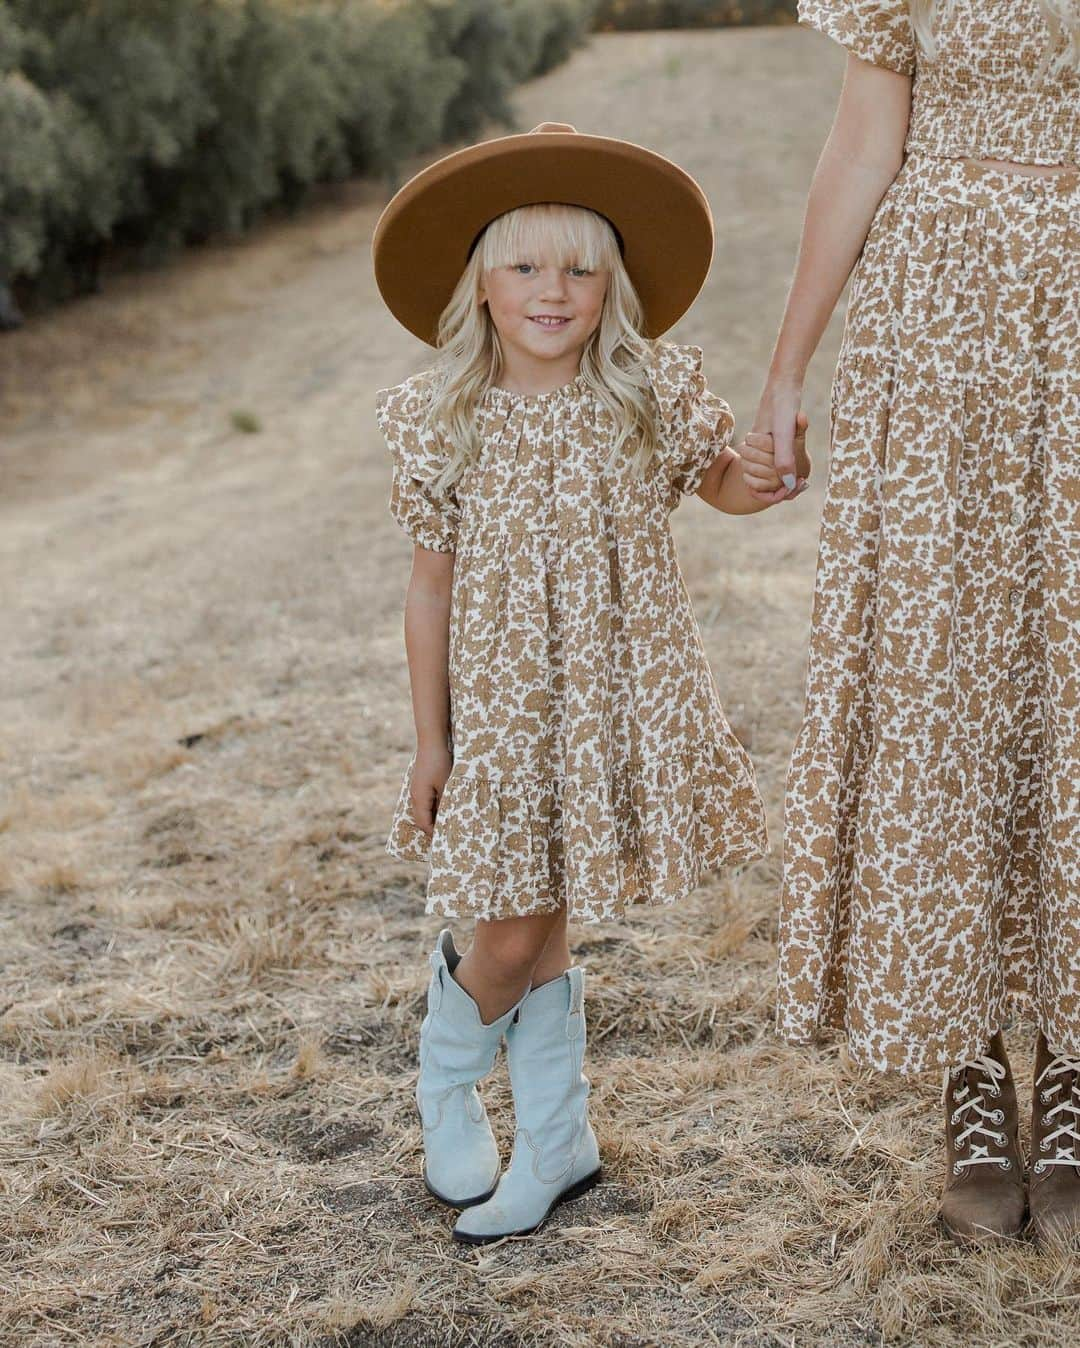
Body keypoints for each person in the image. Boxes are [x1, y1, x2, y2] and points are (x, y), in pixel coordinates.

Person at [371, 123, 810, 1244]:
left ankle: (558, 1138)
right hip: (509, 717)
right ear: (478, 279)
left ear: (613, 281)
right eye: (523, 265)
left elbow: (725, 485)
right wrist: (432, 741)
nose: (552, 290)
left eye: (579, 265)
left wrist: (764, 466)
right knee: (512, 927)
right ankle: (446, 1082)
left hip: (614, 700)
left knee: (550, 914)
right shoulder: (444, 418)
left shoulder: (642, 392)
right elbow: (429, 592)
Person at [756, 0, 1080, 1246]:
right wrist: (788, 365)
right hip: (938, 320)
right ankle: (968, 1074)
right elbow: (859, 147)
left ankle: (1067, 1075)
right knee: (942, 687)